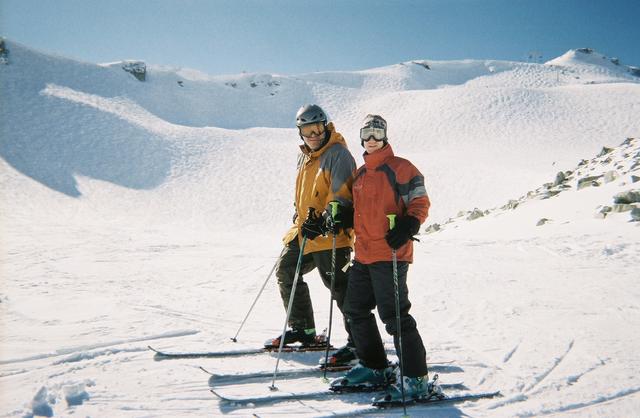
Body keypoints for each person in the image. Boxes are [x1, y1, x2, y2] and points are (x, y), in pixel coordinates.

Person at [330, 114, 431, 401]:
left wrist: (410, 225)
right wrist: (342, 219)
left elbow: (420, 201)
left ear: (385, 137)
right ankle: (375, 366)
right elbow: (360, 212)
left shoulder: (401, 168)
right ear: (361, 137)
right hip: (364, 255)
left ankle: (416, 380)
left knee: (395, 317)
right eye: (367, 134)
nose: (372, 139)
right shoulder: (360, 175)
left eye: (377, 133)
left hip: (391, 254)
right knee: (355, 309)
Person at [266, 104, 358, 367]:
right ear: (300, 132)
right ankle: (303, 329)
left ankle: (359, 342)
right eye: (308, 130)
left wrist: (326, 221)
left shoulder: (338, 155)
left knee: (340, 289)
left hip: (331, 236)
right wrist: (299, 215)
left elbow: (341, 196)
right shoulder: (305, 156)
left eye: (318, 128)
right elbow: (306, 193)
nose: (314, 134)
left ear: (326, 125)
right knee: (286, 271)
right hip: (303, 232)